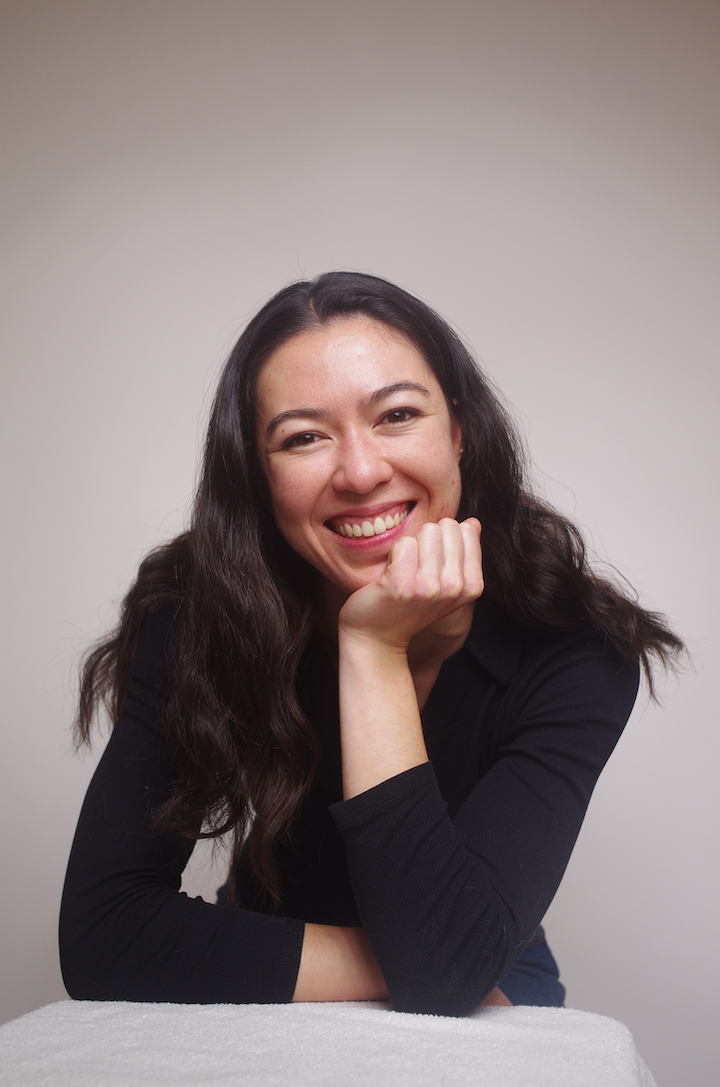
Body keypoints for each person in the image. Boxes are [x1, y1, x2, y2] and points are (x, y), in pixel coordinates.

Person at [60, 272, 682, 1016]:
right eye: (303, 437)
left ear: (459, 432)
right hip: (279, 951)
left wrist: (374, 651)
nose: (360, 472)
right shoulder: (198, 608)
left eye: (396, 415)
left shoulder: (577, 647)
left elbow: (452, 970)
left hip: (485, 972)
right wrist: (419, 953)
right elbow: (103, 934)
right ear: (260, 478)